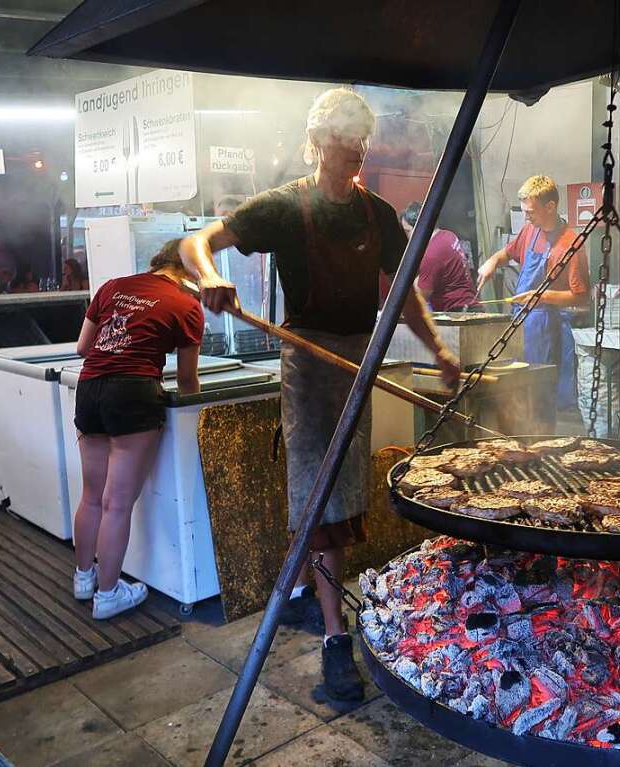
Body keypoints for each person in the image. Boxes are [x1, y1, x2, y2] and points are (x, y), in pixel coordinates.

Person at [180, 88, 460, 702]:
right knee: (318, 492)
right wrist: (210, 276)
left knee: (345, 493)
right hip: (306, 358)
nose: (354, 151)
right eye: (342, 141)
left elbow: (404, 289)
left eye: (360, 140)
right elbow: (195, 244)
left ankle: (309, 596)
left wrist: (437, 348)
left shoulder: (377, 214)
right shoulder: (284, 207)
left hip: (357, 357)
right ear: (317, 143)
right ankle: (336, 640)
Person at [72, 238, 203, 620]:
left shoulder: (113, 286)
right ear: (189, 269)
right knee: (118, 503)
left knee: (92, 495)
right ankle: (109, 595)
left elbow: (84, 346)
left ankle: (84, 578)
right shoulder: (186, 305)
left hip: (90, 387)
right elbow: (187, 380)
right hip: (133, 393)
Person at [476, 175, 589, 411]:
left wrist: (542, 296)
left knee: (540, 394)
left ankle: (544, 441)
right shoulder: (530, 230)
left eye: (531, 211)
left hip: (547, 326)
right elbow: (506, 253)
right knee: (518, 389)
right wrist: (491, 262)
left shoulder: (572, 243)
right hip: (520, 321)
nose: (526, 216)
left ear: (550, 206)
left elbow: (581, 296)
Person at [400, 201, 478, 312]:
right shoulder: (448, 235)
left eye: (407, 231)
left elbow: (421, 296)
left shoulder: (431, 254)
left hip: (458, 313)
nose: (407, 237)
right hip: (470, 305)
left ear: (419, 228)